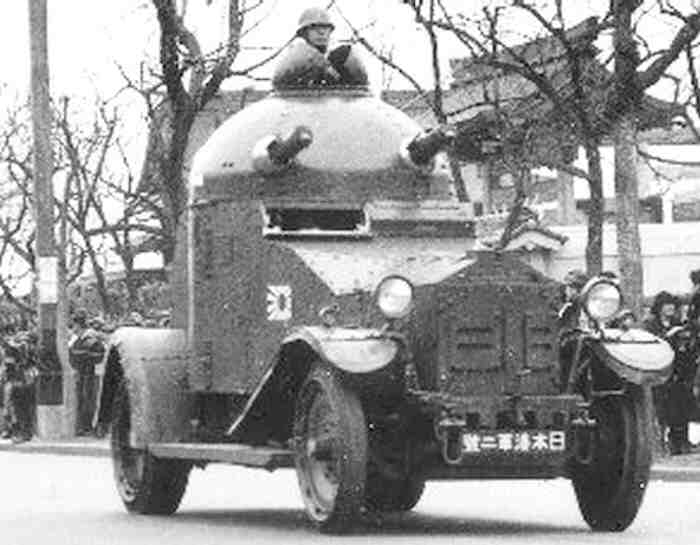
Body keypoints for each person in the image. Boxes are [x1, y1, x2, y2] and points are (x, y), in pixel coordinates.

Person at [644, 291, 693, 454]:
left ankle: (679, 440)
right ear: (659, 307)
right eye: (667, 305)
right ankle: (661, 442)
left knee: (680, 405)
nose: (670, 308)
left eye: (672, 305)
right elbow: (650, 344)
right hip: (660, 370)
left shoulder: (677, 322)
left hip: (677, 370)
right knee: (662, 407)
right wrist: (667, 336)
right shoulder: (651, 323)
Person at [272, 6, 368, 88]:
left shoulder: (342, 59)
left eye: (326, 28)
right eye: (314, 27)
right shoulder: (294, 61)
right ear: (304, 33)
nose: (321, 32)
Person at [69, 309, 106, 436]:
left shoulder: (90, 340)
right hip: (82, 375)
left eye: (73, 325)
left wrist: (82, 361)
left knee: (88, 401)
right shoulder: (78, 340)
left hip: (90, 376)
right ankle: (83, 426)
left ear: (78, 325)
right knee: (82, 401)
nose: (72, 328)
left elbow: (97, 357)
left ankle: (87, 427)